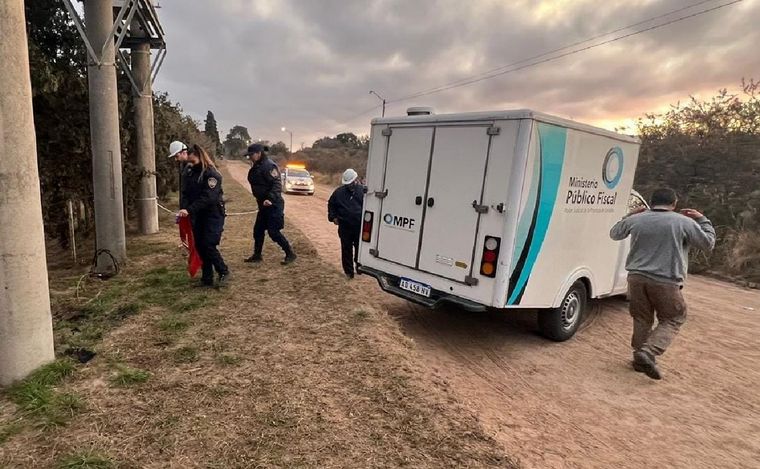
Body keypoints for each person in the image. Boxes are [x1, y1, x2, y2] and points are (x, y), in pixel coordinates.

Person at [610, 188, 715, 380]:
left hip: (635, 278)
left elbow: (615, 234)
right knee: (674, 317)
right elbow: (707, 243)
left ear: (652, 201)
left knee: (642, 318)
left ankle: (638, 358)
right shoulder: (684, 222)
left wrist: (629, 215)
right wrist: (702, 220)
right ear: (674, 203)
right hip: (666, 281)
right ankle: (648, 352)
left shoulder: (637, 220)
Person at [177, 144, 230, 287]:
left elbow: (209, 197)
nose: (188, 158)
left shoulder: (212, 174)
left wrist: (190, 209)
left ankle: (223, 271)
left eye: (191, 156)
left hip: (213, 214)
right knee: (200, 245)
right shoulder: (190, 172)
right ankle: (207, 278)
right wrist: (183, 209)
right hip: (198, 214)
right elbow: (186, 193)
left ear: (197, 155)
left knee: (208, 244)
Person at [243, 143, 296, 265]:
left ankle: (290, 253)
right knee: (258, 230)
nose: (250, 157)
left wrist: (270, 199)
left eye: (251, 155)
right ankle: (257, 255)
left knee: (273, 232)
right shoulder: (256, 165)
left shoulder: (269, 166)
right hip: (263, 205)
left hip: (273, 204)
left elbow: (277, 184)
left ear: (259, 153)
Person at [328, 168, 364, 279]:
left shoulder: (363, 191)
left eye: (352, 183)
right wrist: (333, 217)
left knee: (360, 248)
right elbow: (331, 205)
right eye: (348, 184)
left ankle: (359, 266)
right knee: (346, 249)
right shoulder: (338, 193)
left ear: (356, 180)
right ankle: (349, 272)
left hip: (360, 226)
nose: (351, 185)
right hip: (345, 227)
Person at [168, 141, 191, 208]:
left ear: (184, 153)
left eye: (177, 156)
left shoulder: (193, 167)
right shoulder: (183, 167)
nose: (176, 159)